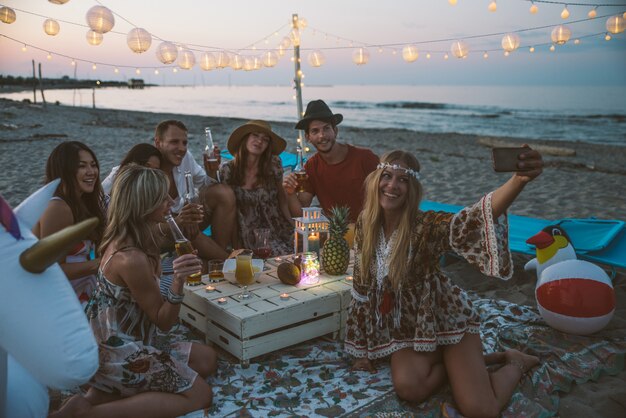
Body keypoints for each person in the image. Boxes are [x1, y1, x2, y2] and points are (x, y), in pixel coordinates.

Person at [345, 149, 543, 417]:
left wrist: (518, 180)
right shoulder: (365, 226)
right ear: (375, 179)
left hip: (448, 323)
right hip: (412, 331)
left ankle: (516, 362)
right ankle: (469, 367)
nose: (392, 186)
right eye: (387, 176)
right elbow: (362, 292)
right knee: (409, 388)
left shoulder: (426, 225)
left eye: (403, 180)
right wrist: (361, 352)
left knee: (480, 410)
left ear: (412, 188)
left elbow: (469, 221)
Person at [50, 165, 217, 418]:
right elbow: (163, 321)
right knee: (201, 395)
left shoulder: (133, 234)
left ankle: (93, 399)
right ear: (145, 204)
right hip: (117, 353)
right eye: (163, 197)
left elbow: (170, 235)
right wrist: (178, 281)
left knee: (206, 359)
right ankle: (86, 414)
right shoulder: (131, 258)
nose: (171, 200)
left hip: (121, 340)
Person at [33, 141, 106, 306]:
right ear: (64, 170)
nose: (91, 172)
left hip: (80, 292)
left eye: (93, 165)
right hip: (59, 300)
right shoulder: (58, 207)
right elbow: (52, 268)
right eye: (82, 166)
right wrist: (101, 264)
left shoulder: (83, 203)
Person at [283, 99, 379, 224]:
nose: (321, 135)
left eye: (326, 128)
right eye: (315, 131)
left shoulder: (365, 158)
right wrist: (290, 193)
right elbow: (301, 211)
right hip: (336, 235)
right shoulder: (311, 167)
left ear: (335, 131)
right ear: (308, 138)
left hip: (371, 230)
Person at [152, 120, 236, 260]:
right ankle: (227, 262)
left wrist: (211, 171)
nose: (181, 148)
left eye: (184, 143)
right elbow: (107, 190)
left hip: (185, 225)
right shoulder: (144, 163)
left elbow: (206, 184)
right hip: (156, 234)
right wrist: (180, 220)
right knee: (186, 228)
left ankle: (216, 256)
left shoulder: (185, 158)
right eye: (174, 142)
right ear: (158, 142)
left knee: (223, 193)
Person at [220, 120, 293, 256]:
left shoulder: (273, 164)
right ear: (245, 138)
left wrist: (293, 226)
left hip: (277, 225)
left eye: (265, 140)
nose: (259, 141)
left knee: (304, 250)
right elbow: (231, 211)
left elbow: (282, 199)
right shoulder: (228, 170)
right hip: (248, 232)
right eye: (255, 135)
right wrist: (236, 245)